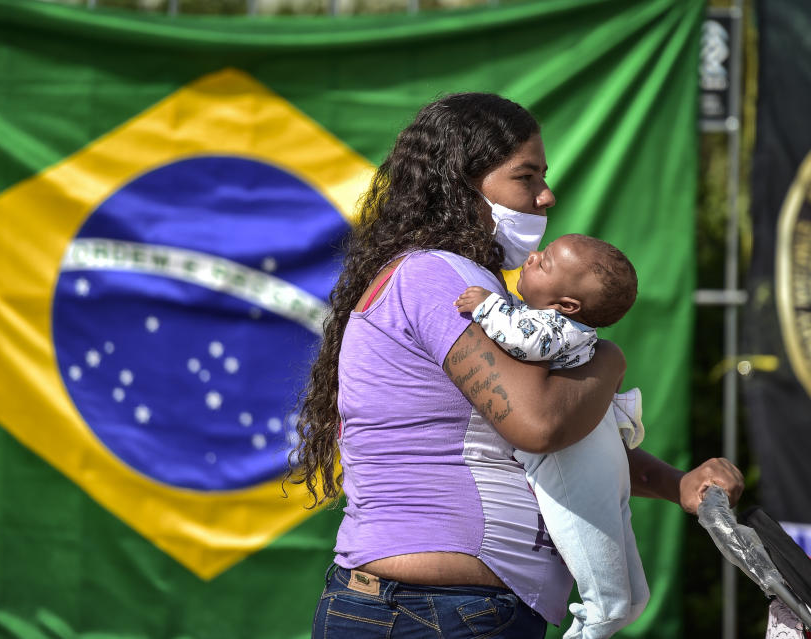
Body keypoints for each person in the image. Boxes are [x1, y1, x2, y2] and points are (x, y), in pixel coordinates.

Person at [289, 92, 744, 639]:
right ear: (462, 183)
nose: (546, 197)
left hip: (426, 608)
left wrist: (676, 484)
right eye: (525, 177)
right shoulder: (442, 278)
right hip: (437, 611)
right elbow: (540, 425)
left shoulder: (443, 280)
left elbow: (573, 447)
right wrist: (608, 358)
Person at [454, 233, 649, 639]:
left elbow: (525, 342)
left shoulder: (556, 328)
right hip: (602, 454)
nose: (531, 257)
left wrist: (487, 307)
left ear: (567, 306)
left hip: (574, 461)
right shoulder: (569, 327)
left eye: (544, 263)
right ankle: (627, 605)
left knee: (604, 598)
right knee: (625, 582)